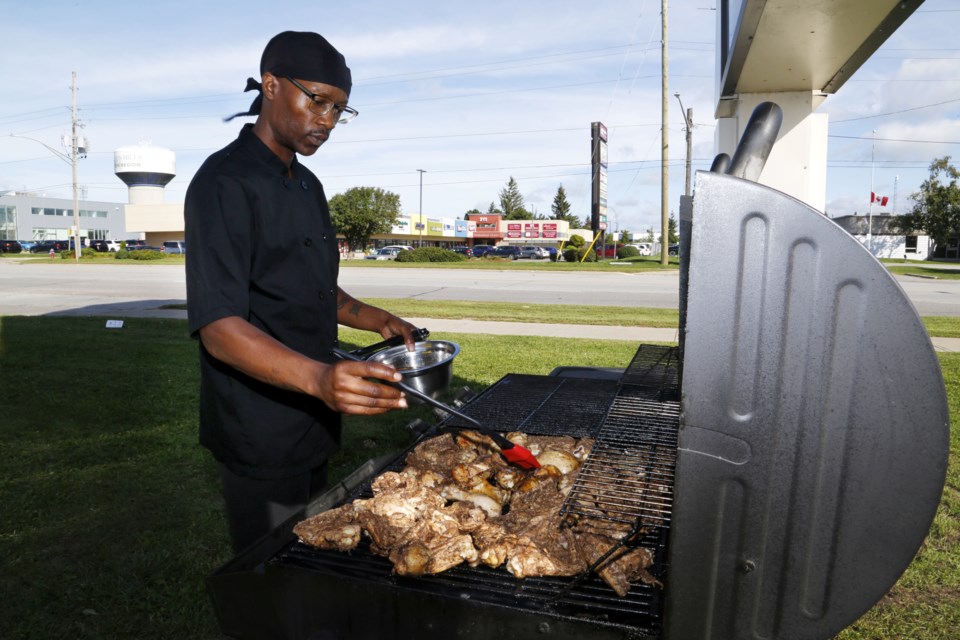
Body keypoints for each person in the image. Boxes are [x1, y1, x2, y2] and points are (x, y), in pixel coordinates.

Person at [185, 31, 417, 553]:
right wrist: (319, 378)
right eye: (316, 101)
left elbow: (313, 288)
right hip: (259, 422)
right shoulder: (224, 182)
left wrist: (376, 318)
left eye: (340, 110)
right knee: (269, 571)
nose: (328, 121)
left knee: (314, 554)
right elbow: (219, 327)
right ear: (270, 86)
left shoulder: (308, 185)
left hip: (314, 413)